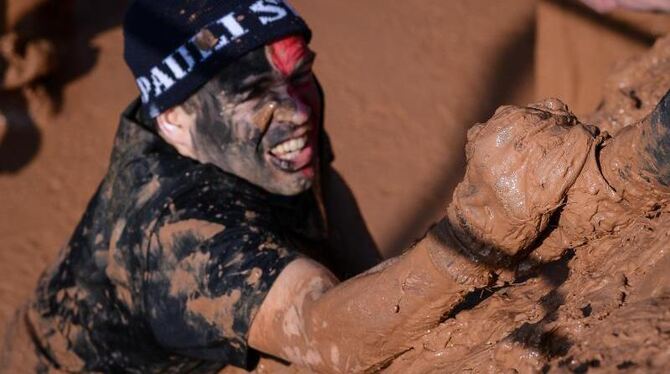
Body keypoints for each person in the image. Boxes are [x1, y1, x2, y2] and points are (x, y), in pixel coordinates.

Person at [1, 0, 595, 372]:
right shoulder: (181, 233)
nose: (295, 109)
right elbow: (324, 337)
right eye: (255, 95)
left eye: (300, 73)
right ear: (174, 124)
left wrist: (391, 282)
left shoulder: (253, 123)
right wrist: (474, 236)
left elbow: (340, 227)